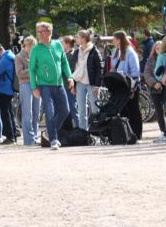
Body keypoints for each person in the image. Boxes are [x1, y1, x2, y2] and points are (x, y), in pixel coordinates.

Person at [29, 22, 73, 150]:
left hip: (59, 84)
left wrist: (70, 77)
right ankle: (53, 139)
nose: (40, 34)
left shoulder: (57, 45)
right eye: (39, 31)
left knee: (65, 110)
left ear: (49, 32)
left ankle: (49, 131)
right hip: (44, 85)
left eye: (42, 31)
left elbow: (64, 63)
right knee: (50, 111)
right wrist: (34, 87)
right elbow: (31, 70)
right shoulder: (36, 49)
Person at [109, 30, 144, 140]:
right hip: (120, 87)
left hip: (130, 86)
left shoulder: (130, 52)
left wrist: (133, 88)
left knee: (133, 111)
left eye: (114, 39)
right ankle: (127, 134)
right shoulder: (116, 51)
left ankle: (137, 134)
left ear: (119, 39)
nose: (113, 41)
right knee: (123, 110)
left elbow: (135, 71)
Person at [70, 29, 102, 130]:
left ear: (83, 39)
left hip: (92, 84)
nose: (76, 39)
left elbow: (100, 68)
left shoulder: (94, 50)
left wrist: (97, 85)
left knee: (95, 109)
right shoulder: (76, 51)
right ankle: (83, 132)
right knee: (81, 109)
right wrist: (73, 85)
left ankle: (96, 131)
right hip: (79, 83)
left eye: (78, 37)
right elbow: (73, 69)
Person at [16, 35, 42, 146]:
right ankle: (28, 139)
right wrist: (32, 69)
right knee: (28, 113)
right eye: (31, 46)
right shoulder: (19, 56)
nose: (33, 48)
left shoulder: (36, 55)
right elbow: (19, 73)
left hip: (37, 84)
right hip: (25, 85)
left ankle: (35, 136)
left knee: (37, 112)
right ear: (26, 45)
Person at [0, 42, 18, 144]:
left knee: (5, 114)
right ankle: (13, 134)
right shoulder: (11, 56)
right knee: (10, 113)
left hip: (4, 89)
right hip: (10, 88)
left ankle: (10, 137)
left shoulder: (4, 59)